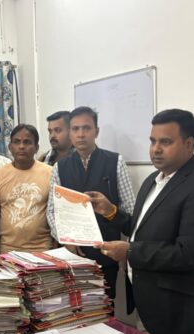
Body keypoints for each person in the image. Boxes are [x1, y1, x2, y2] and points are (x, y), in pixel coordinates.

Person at [87, 109, 194, 334]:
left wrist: (130, 252)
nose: (156, 149)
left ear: (189, 144)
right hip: (148, 307)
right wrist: (110, 212)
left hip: (177, 316)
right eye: (152, 141)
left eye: (166, 142)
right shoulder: (154, 180)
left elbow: (189, 254)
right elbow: (141, 230)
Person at [46, 106, 135, 299]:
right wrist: (65, 240)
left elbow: (130, 210)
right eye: (75, 129)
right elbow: (52, 211)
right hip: (72, 255)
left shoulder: (115, 162)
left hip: (106, 254)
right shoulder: (60, 167)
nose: (81, 134)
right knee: (73, 308)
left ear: (96, 131)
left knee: (104, 308)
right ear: (70, 132)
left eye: (86, 128)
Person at [0, 124, 53, 253]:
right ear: (10, 147)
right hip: (8, 251)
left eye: (27, 142)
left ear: (36, 148)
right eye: (16, 142)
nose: (21, 146)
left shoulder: (50, 173)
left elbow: (56, 216)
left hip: (43, 250)